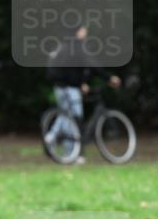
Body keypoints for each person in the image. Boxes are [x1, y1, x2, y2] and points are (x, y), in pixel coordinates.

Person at [44, 25, 121, 164]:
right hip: (70, 88)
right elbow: (92, 65)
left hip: (60, 87)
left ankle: (55, 139)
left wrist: (81, 83)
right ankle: (68, 150)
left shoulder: (64, 46)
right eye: (84, 29)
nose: (85, 32)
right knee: (74, 118)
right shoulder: (77, 47)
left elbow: (73, 68)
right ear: (78, 31)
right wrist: (109, 78)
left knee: (66, 115)